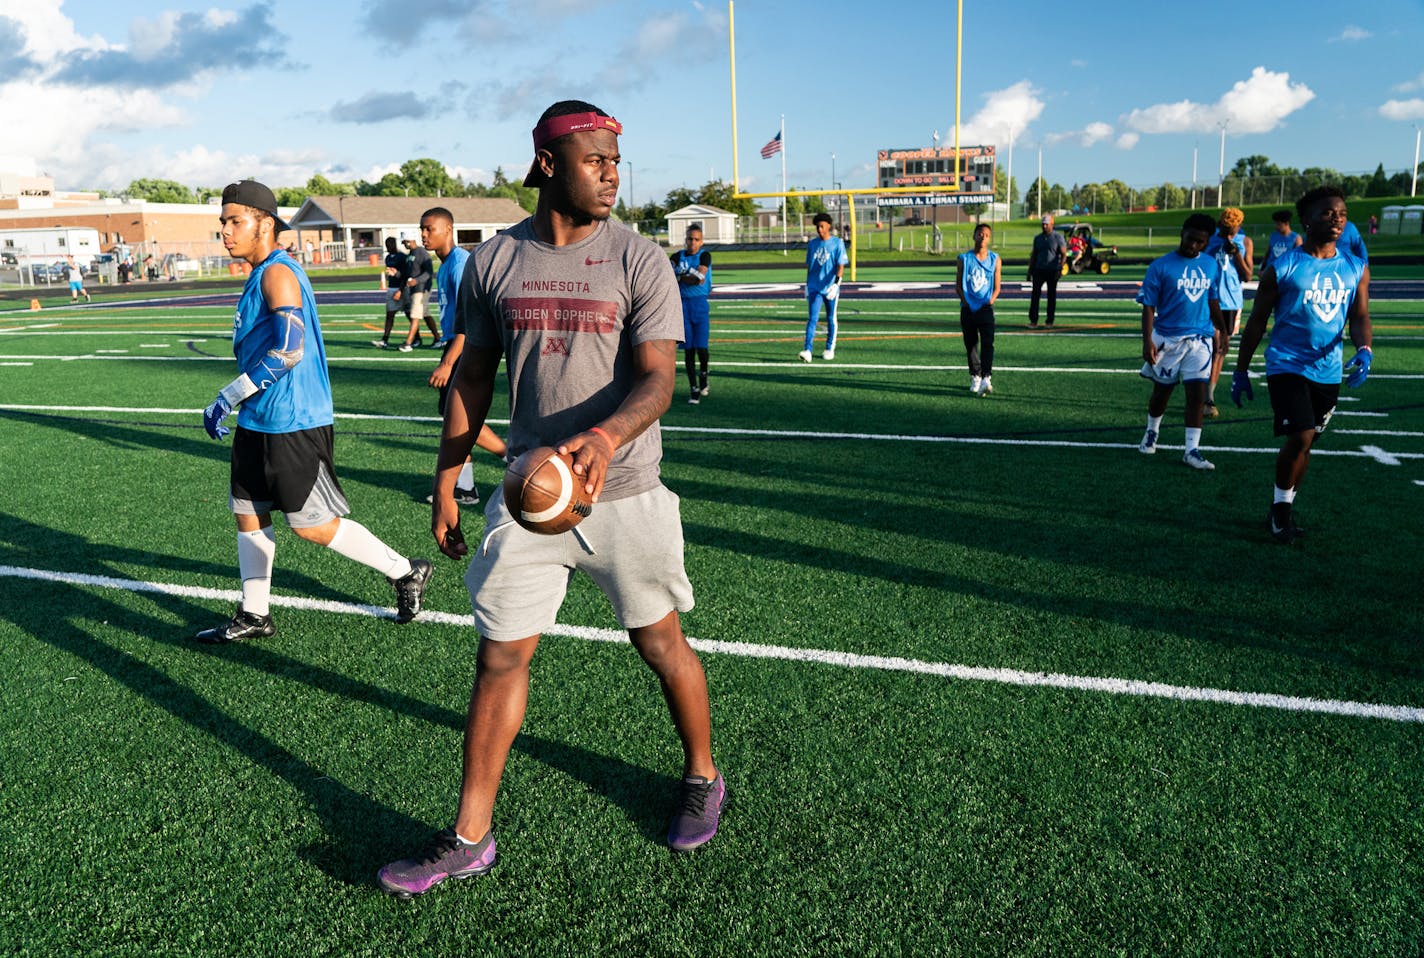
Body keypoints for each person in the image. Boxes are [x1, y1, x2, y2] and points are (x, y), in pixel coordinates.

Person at [377, 100, 723, 899]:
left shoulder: (639, 259)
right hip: (530, 498)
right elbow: (471, 377)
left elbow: (658, 377)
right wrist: (444, 480)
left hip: (626, 490)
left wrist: (604, 439)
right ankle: (469, 836)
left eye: (615, 161)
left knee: (660, 644)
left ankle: (703, 774)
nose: (610, 172)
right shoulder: (495, 261)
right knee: (499, 656)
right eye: (595, 158)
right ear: (546, 165)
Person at [195, 180, 434, 642]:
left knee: (313, 527)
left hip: (293, 421)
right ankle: (255, 614)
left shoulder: (277, 273)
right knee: (248, 512)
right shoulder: (258, 271)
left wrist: (228, 395)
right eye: (223, 222)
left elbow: (289, 350)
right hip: (258, 417)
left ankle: (405, 570)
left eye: (234, 221)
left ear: (266, 224)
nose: (225, 231)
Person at [1229, 185, 1372, 544]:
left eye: (1341, 213)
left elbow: (1359, 315)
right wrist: (1241, 369)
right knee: (1301, 434)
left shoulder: (1355, 267)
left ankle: (1282, 506)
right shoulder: (1285, 267)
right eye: (1327, 213)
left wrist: (1365, 347)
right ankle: (1281, 513)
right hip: (1287, 364)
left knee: (1308, 444)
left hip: (1328, 369)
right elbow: (1258, 320)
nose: (1337, 219)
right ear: (1306, 221)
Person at [419, 206, 507, 505]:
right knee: (452, 415)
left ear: (448, 229)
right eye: (422, 229)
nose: (424, 235)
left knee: (458, 416)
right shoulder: (444, 265)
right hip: (455, 342)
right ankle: (466, 489)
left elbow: (470, 322)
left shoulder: (459, 264)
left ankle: (510, 456)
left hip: (465, 344)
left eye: (430, 228)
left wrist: (447, 363)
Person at [1135, 213, 1227, 471]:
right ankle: (1152, 431)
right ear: (1182, 233)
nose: (1194, 246)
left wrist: (1223, 331)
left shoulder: (1210, 265)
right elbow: (1148, 307)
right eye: (1191, 239)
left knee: (1197, 396)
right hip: (1167, 340)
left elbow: (1213, 300)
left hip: (1200, 340)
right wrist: (1147, 341)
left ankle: (1191, 450)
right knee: (1161, 393)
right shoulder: (1161, 266)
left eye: (1201, 242)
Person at [1202, 207, 1253, 418]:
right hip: (1209, 298)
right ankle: (1203, 394)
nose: (1230, 231)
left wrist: (1237, 254)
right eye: (1226, 227)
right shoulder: (1209, 240)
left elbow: (1248, 275)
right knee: (1209, 346)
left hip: (1231, 302)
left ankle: (1208, 397)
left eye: (1233, 228)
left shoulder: (1245, 241)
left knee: (1220, 349)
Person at [955, 222, 1001, 396]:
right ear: (974, 236)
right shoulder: (963, 259)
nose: (983, 237)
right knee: (971, 344)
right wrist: (965, 302)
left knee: (988, 343)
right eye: (980, 234)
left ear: (989, 239)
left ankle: (986, 377)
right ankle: (975, 375)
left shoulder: (995, 259)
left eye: (986, 235)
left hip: (985, 309)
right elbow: (958, 285)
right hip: (968, 309)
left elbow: (997, 286)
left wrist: (991, 300)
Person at [671, 224, 712, 403]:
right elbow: (667, 273)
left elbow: (699, 279)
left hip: (700, 305)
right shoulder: (676, 256)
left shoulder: (704, 255)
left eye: (696, 239)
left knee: (702, 348)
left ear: (701, 241)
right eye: (689, 238)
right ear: (685, 239)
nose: (692, 242)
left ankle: (703, 374)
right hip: (682, 306)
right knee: (688, 350)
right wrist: (685, 277)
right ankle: (693, 388)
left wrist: (680, 277)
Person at [800, 211, 847, 362]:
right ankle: (807, 350)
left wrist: (836, 284)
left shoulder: (837, 243)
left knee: (831, 318)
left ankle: (829, 347)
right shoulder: (812, 244)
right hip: (814, 287)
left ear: (829, 226)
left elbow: (840, 266)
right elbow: (810, 267)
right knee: (812, 318)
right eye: (817, 227)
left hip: (830, 288)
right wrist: (807, 285)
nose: (819, 230)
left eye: (822, 226)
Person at [398, 237, 440, 352]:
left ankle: (408, 343)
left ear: (410, 240)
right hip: (413, 289)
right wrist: (396, 274)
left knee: (415, 315)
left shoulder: (421, 252)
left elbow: (429, 272)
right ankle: (437, 339)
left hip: (421, 289)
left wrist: (416, 281)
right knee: (425, 315)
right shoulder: (410, 254)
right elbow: (408, 273)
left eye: (404, 242)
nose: (404, 244)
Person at [1027, 214, 1067, 328]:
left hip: (1052, 270)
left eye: (1046, 224)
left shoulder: (1058, 237)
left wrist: (1060, 267)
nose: (1044, 226)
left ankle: (1050, 320)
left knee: (1051, 296)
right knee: (1035, 295)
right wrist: (1030, 271)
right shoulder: (1038, 238)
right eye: (1043, 224)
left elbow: (1064, 254)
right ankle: (1033, 320)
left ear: (1051, 224)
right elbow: (1034, 255)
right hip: (1039, 269)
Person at [371, 237, 409, 348]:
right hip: (391, 288)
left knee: (410, 314)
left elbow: (405, 275)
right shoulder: (387, 258)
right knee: (389, 315)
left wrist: (400, 290)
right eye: (387, 244)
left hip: (401, 288)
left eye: (390, 244)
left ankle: (416, 338)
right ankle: (385, 340)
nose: (389, 246)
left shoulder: (402, 257)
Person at [1260, 209, 1302, 274]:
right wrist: (1262, 269)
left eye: (1279, 224)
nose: (1276, 227)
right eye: (1276, 224)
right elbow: (1267, 254)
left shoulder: (1296, 238)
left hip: (1285, 272)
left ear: (1286, 223)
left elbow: (1299, 259)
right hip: (1270, 271)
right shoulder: (1273, 236)